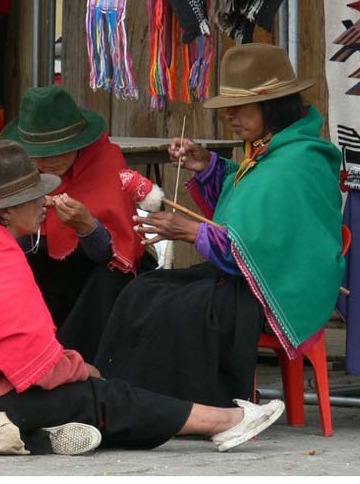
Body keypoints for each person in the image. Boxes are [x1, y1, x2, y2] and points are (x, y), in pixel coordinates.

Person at [0, 140, 284, 455]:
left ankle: (40, 435)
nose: (45, 202)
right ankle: (226, 422)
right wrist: (81, 369)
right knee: (99, 394)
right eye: (34, 196)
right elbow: (36, 370)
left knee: (81, 391)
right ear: (6, 211)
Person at [95, 43, 345, 408]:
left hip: (279, 288)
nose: (229, 115)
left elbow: (264, 244)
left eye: (238, 106)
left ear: (271, 106)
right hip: (247, 276)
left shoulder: (297, 161)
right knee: (143, 290)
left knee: (183, 307)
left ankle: (183, 407)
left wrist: (192, 232)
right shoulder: (271, 150)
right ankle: (130, 400)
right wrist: (207, 164)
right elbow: (248, 203)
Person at [0, 85, 152, 361]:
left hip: (94, 275)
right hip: (44, 272)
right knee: (15, 272)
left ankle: (72, 366)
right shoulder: (18, 167)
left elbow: (117, 255)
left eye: (62, 150)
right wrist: (25, 226)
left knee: (109, 281)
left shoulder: (105, 161)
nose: (51, 161)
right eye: (41, 153)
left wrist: (87, 228)